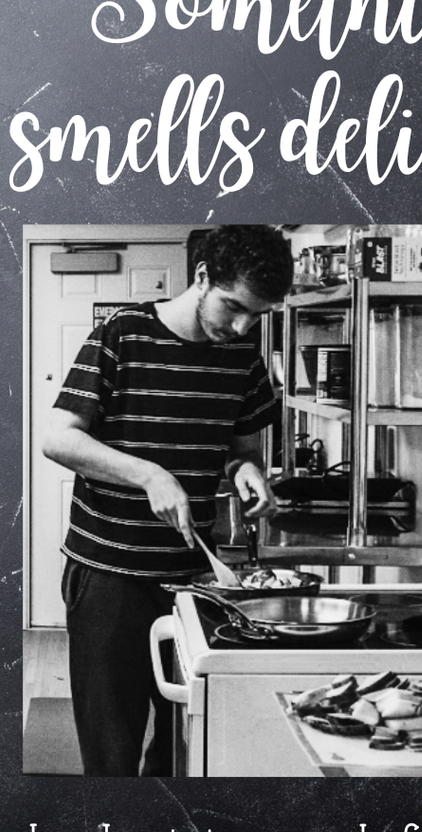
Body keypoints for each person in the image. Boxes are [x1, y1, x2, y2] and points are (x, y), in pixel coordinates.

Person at [41, 225, 296, 776]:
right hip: (109, 576)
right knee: (111, 753)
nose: (242, 326)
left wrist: (248, 471)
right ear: (202, 277)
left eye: (258, 314)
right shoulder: (122, 334)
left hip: (193, 584)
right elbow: (58, 438)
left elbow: (243, 447)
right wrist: (148, 474)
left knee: (186, 745)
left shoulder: (244, 357)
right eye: (233, 307)